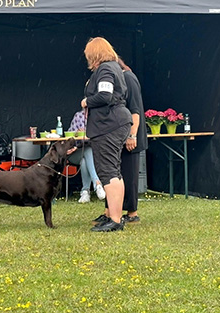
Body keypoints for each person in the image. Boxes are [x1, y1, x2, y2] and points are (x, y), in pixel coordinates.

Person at [81, 37, 132, 232]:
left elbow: (104, 96)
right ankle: (114, 215)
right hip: (116, 122)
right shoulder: (115, 67)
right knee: (114, 171)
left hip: (108, 124)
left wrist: (86, 101)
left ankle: (116, 220)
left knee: (108, 171)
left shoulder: (105, 69)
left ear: (94, 54)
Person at [92, 58, 148, 225]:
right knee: (112, 173)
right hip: (115, 134)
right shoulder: (116, 79)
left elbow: (135, 109)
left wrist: (132, 135)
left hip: (130, 133)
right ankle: (109, 211)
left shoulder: (128, 78)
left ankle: (132, 213)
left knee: (129, 175)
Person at [67, 109, 105, 203]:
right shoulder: (78, 116)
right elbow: (69, 136)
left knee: (84, 160)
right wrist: (76, 134)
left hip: (94, 154)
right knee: (87, 150)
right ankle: (97, 184)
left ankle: (85, 192)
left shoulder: (99, 117)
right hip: (76, 152)